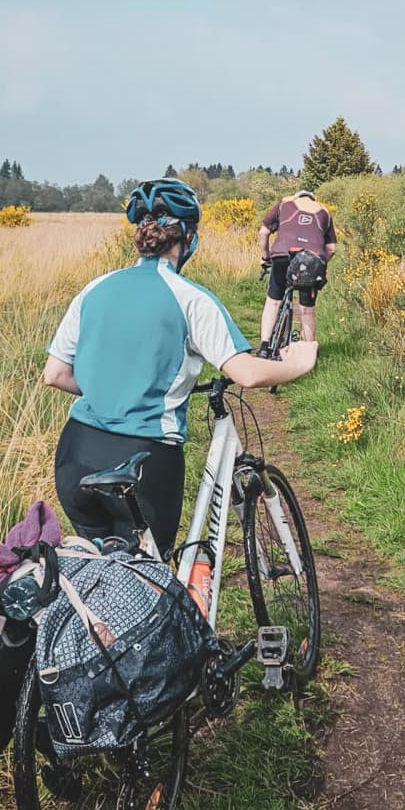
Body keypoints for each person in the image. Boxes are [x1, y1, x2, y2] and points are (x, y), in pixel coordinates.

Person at [42, 177, 317, 555]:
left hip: (75, 453)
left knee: (99, 578)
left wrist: (115, 388)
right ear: (188, 238)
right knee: (149, 582)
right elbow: (248, 373)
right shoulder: (190, 299)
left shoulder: (93, 289)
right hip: (143, 461)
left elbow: (55, 374)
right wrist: (300, 363)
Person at [258, 189, 337, 348]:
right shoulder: (325, 212)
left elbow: (264, 232)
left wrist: (265, 257)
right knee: (307, 310)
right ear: (313, 199)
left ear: (298, 196)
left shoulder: (285, 202)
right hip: (311, 259)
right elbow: (331, 249)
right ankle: (308, 352)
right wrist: (320, 265)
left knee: (273, 302)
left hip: (282, 254)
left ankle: (264, 347)